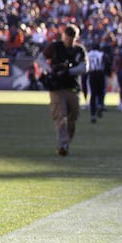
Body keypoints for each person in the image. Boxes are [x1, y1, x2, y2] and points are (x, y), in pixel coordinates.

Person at [37, 24, 88, 156]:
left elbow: (84, 67)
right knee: (60, 115)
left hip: (72, 86)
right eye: (67, 37)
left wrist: (68, 71)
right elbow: (40, 59)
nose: (69, 41)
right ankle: (62, 144)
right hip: (57, 86)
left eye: (72, 38)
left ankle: (66, 142)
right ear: (63, 35)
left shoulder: (79, 50)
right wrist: (50, 70)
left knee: (73, 116)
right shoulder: (54, 47)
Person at [85, 42, 107, 123]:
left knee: (93, 94)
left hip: (91, 74)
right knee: (101, 92)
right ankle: (100, 105)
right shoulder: (101, 54)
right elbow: (105, 63)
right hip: (100, 73)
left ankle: (93, 114)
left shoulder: (88, 54)